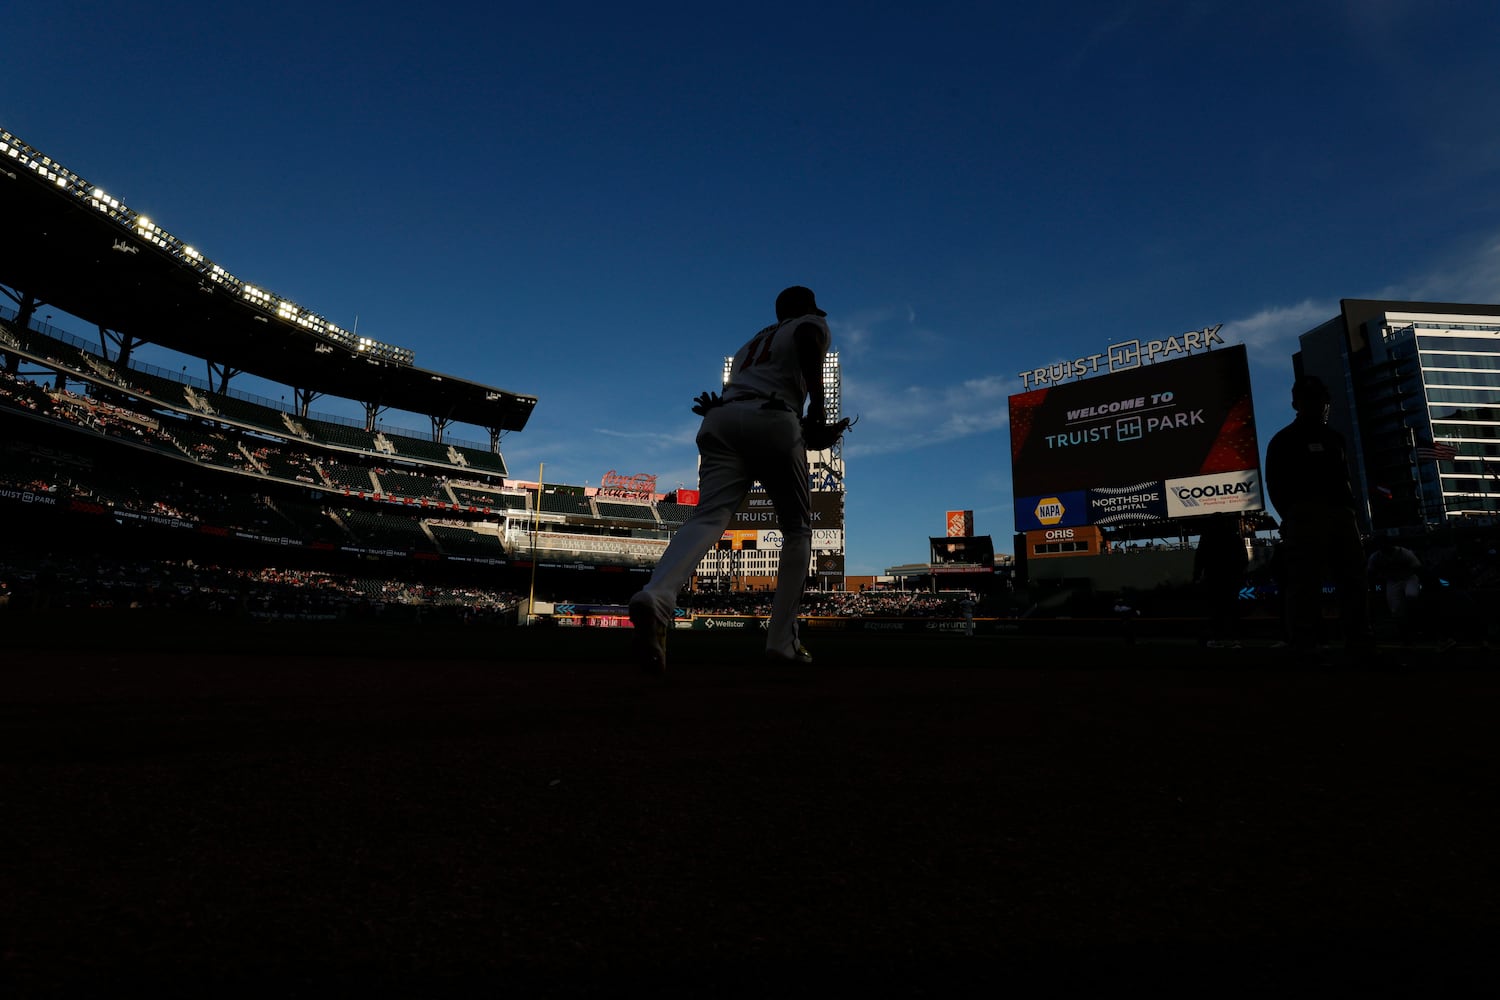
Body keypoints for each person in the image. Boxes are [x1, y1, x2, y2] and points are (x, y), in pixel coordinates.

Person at [628, 285, 835, 673]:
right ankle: (781, 644)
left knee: (708, 517)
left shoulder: (749, 345)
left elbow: (743, 388)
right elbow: (808, 344)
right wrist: (818, 416)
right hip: (773, 417)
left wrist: (723, 407)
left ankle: (656, 596)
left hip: (721, 420)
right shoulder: (811, 324)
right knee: (797, 529)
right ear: (805, 308)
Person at [1263, 374, 1373, 659]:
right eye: (1309, 400)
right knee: (1304, 583)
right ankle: (1304, 643)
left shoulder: (1334, 438)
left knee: (1353, 580)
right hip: (1305, 515)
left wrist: (1350, 513)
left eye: (1321, 400)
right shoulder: (1285, 439)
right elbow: (1275, 483)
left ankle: (1358, 641)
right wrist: (1291, 516)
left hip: (1341, 515)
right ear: (1296, 403)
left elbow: (1345, 479)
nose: (1318, 405)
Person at [1193, 511, 1249, 648]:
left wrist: (1196, 575)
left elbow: (1200, 557)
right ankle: (1235, 639)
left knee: (1215, 609)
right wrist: (1239, 573)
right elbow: (1243, 558)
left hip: (1214, 578)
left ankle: (1217, 638)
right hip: (1230, 578)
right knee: (1232, 608)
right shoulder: (1233, 536)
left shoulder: (1207, 537)